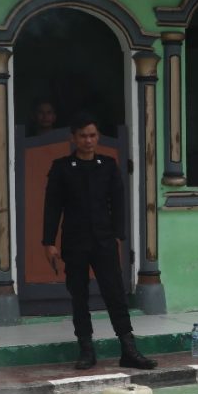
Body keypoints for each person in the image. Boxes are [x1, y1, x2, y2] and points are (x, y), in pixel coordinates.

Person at [42, 112, 156, 371]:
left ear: (98, 137)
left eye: (92, 135)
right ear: (74, 138)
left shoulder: (108, 165)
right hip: (74, 241)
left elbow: (117, 201)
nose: (88, 140)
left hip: (103, 241)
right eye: (83, 136)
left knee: (115, 294)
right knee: (79, 296)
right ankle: (86, 350)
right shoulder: (61, 167)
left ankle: (129, 349)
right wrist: (48, 242)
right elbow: (52, 207)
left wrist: (118, 234)